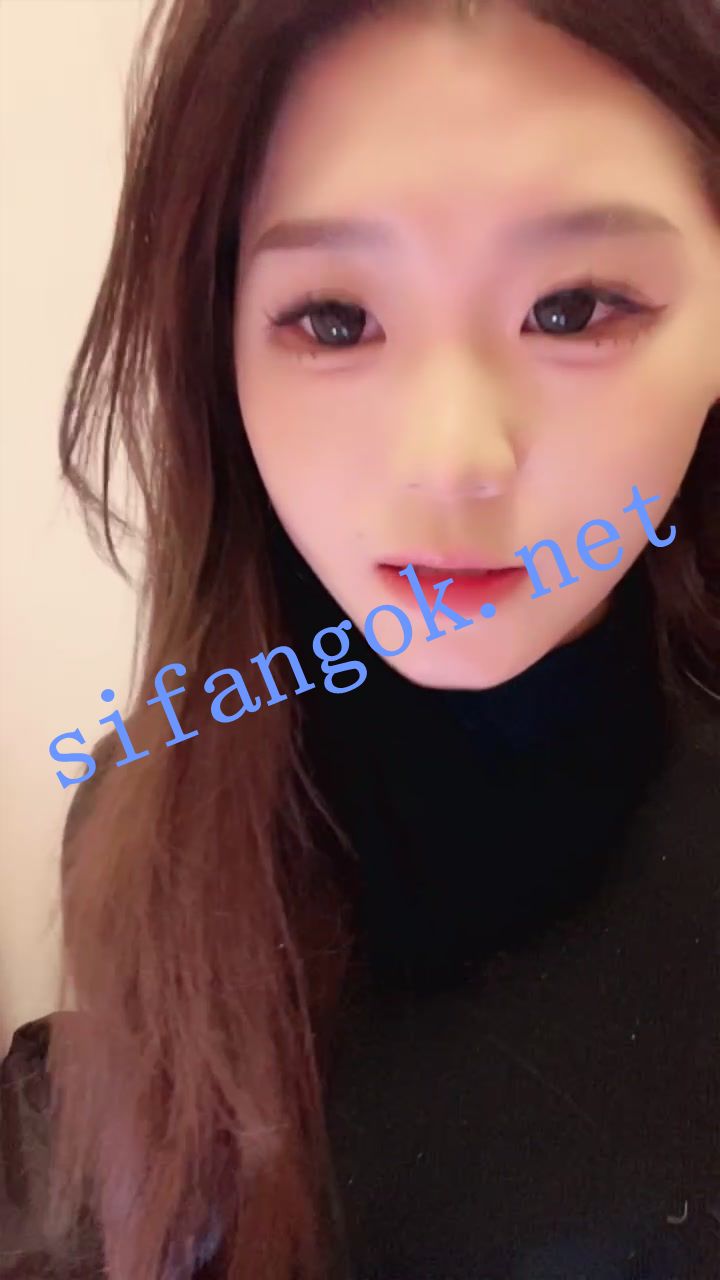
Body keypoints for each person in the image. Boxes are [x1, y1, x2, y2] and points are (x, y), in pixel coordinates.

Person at [1, 0, 719, 1276]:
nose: (452, 457)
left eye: (574, 308)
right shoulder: (146, 798)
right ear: (218, 344)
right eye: (335, 320)